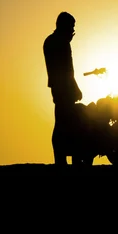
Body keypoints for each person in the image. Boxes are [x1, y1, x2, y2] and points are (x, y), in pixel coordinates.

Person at [43, 12, 83, 165]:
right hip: (65, 88)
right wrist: (76, 89)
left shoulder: (50, 40)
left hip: (57, 88)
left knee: (61, 123)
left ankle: (60, 159)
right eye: (71, 26)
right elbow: (67, 70)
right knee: (69, 124)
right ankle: (70, 159)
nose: (73, 29)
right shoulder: (62, 42)